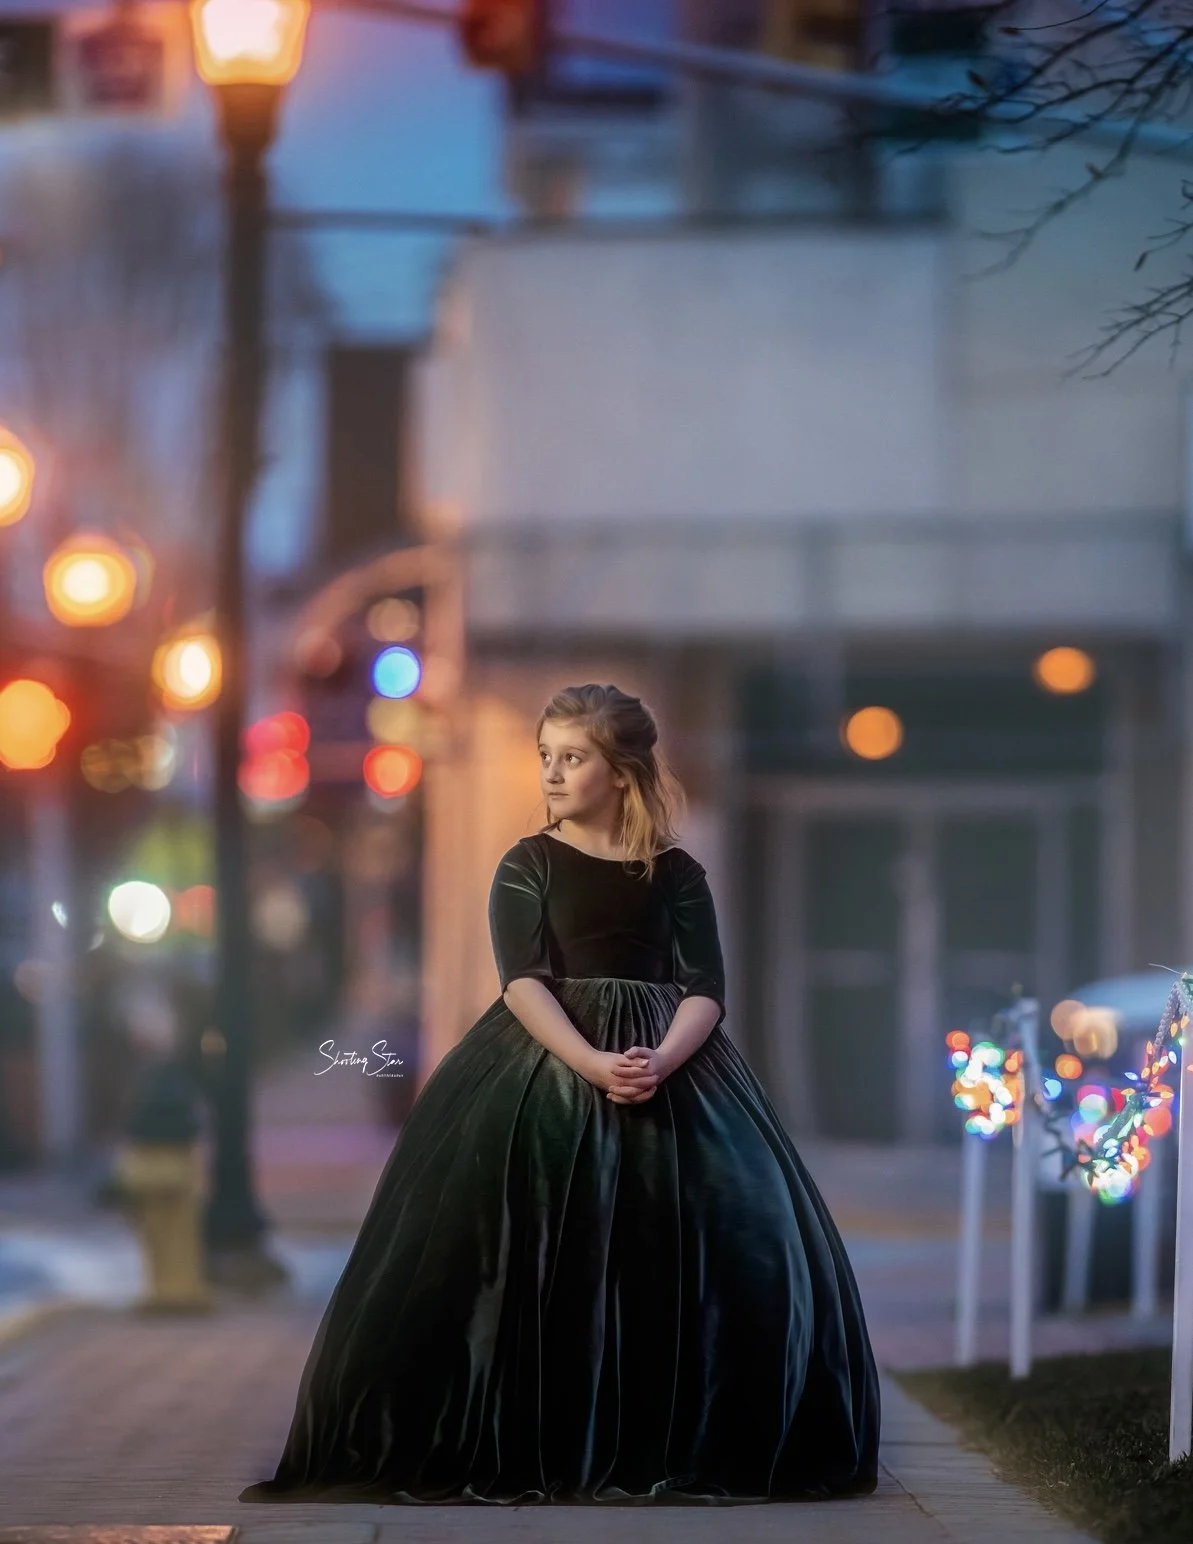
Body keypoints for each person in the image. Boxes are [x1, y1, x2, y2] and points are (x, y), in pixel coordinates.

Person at [239, 683, 880, 1506]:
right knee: (522, 1247)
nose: (550, 772)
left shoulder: (676, 873)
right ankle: (532, 1431)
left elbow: (705, 987)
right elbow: (522, 983)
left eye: (571, 758)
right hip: (544, 1066)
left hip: (671, 1065)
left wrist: (659, 1060)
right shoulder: (527, 863)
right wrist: (591, 1062)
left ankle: (674, 1434)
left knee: (729, 1236)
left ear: (621, 772)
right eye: (545, 756)